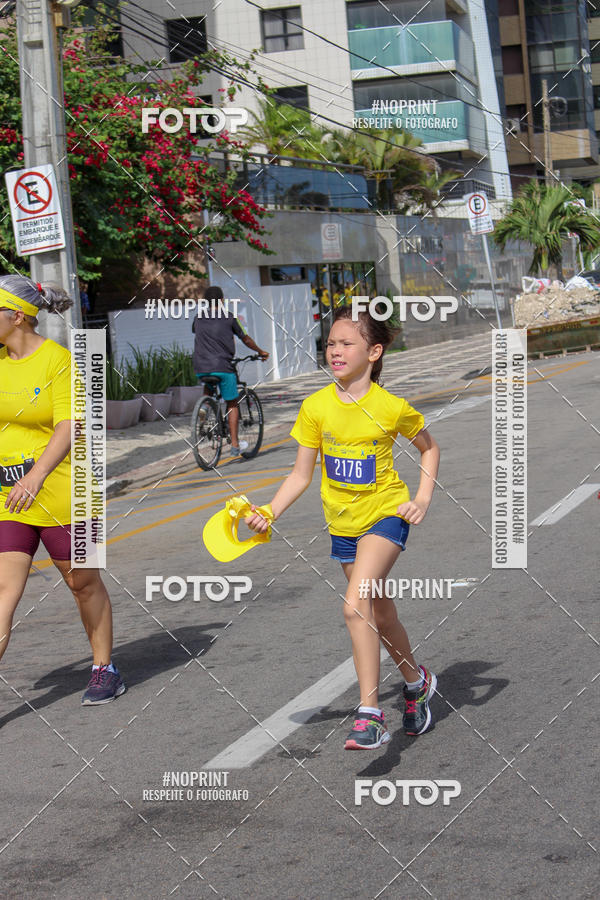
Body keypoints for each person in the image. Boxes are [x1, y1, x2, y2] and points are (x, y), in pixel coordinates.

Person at [245, 304, 440, 750]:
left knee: (355, 607)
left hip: (386, 515)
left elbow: (430, 448)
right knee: (380, 613)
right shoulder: (316, 407)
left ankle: (370, 714)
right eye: (331, 342)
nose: (335, 350)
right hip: (343, 525)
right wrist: (269, 512)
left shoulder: (390, 407)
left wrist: (421, 499)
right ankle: (416, 682)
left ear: (373, 351)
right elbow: (300, 475)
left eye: (346, 343)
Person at [0, 274, 125, 705]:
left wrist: (35, 475)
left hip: (69, 488)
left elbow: (69, 425)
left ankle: (104, 668)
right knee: (4, 590)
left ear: (17, 316)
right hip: (9, 497)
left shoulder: (61, 360)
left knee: (83, 583)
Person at [191, 285, 269, 456]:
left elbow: (197, 331)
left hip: (201, 366)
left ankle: (205, 405)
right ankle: (234, 444)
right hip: (222, 366)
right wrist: (260, 351)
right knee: (232, 403)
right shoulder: (229, 317)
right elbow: (245, 339)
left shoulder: (198, 318)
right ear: (221, 301)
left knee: (209, 380)